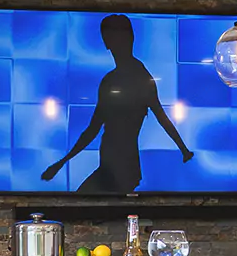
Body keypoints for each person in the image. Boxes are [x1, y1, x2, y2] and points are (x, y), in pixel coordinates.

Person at [40, 14, 194, 193]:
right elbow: (93, 129)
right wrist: (61, 164)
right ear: (107, 43)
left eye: (122, 37)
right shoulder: (110, 80)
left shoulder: (141, 77)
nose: (118, 43)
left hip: (123, 170)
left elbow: (162, 117)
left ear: (131, 38)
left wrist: (183, 149)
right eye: (112, 38)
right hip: (109, 167)